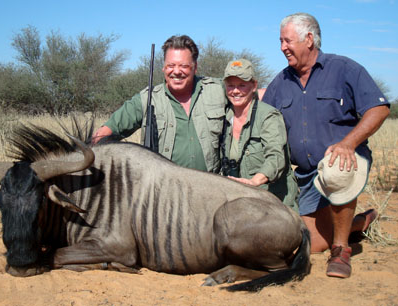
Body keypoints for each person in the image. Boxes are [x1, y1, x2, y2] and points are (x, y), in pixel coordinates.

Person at [262, 12, 390, 278]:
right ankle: (356, 224)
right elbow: (263, 119)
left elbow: (378, 108)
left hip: (342, 163)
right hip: (305, 174)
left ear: (309, 39)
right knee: (309, 243)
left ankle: (342, 249)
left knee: (337, 167)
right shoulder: (280, 81)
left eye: (287, 41)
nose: (282, 47)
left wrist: (348, 143)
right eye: (281, 41)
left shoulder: (345, 68)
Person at [92, 35, 226, 173]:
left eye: (184, 66)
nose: (176, 71)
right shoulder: (146, 99)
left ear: (195, 67)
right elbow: (101, 136)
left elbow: (247, 99)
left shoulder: (217, 90)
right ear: (163, 67)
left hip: (211, 188)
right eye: (171, 65)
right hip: (163, 190)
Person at [220, 59, 298, 212]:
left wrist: (254, 181)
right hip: (240, 203)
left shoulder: (269, 116)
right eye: (231, 85)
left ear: (254, 85)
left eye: (242, 85)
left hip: (273, 203)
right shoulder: (223, 116)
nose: (235, 91)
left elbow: (276, 157)